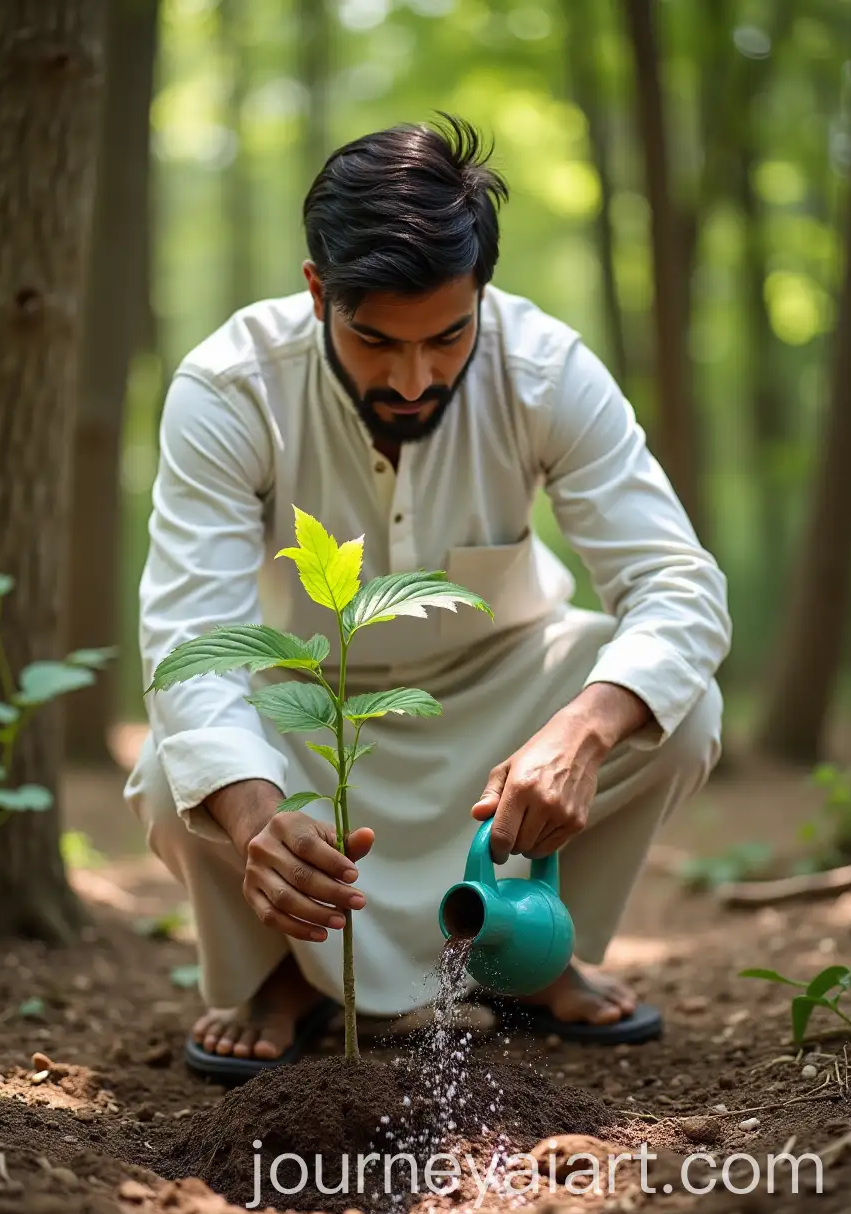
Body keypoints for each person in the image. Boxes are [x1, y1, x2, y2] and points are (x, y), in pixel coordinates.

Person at [124, 114, 730, 1082]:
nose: (414, 378)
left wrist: (581, 727)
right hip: (306, 710)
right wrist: (253, 814)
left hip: (504, 696)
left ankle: (521, 957)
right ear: (319, 290)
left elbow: (677, 581)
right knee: (176, 769)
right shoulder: (229, 388)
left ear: (481, 294)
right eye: (375, 341)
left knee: (681, 705)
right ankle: (287, 973)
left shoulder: (544, 370)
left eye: (448, 336)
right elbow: (190, 631)